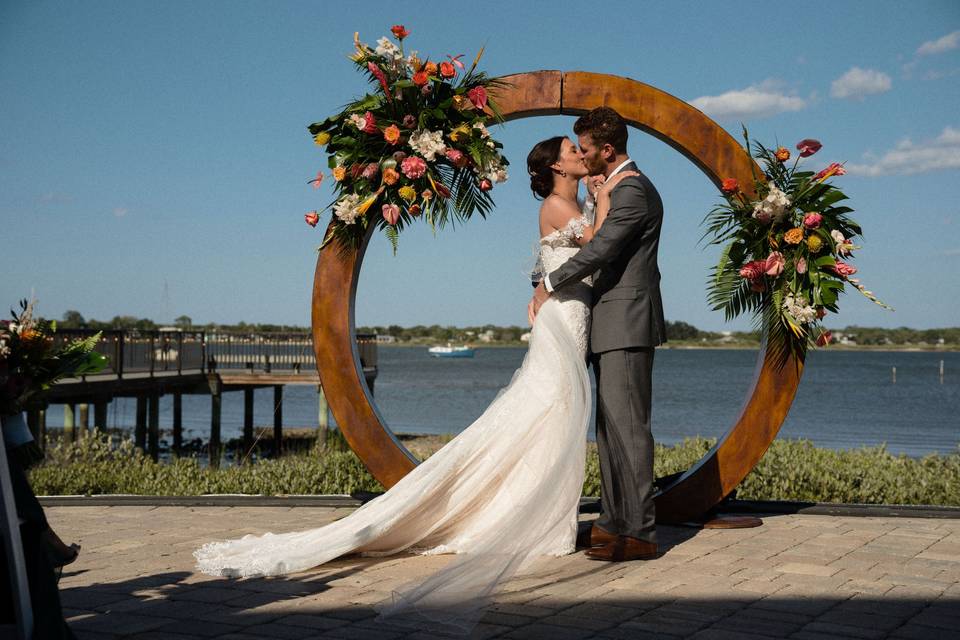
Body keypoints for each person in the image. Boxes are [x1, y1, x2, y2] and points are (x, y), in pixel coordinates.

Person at [530, 106, 666, 562]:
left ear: (608, 150)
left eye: (585, 149)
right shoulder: (611, 187)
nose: (582, 157)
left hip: (626, 322)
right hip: (607, 323)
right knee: (609, 430)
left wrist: (548, 284)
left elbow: (603, 248)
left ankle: (641, 532)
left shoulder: (632, 190)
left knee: (628, 430)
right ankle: (612, 524)